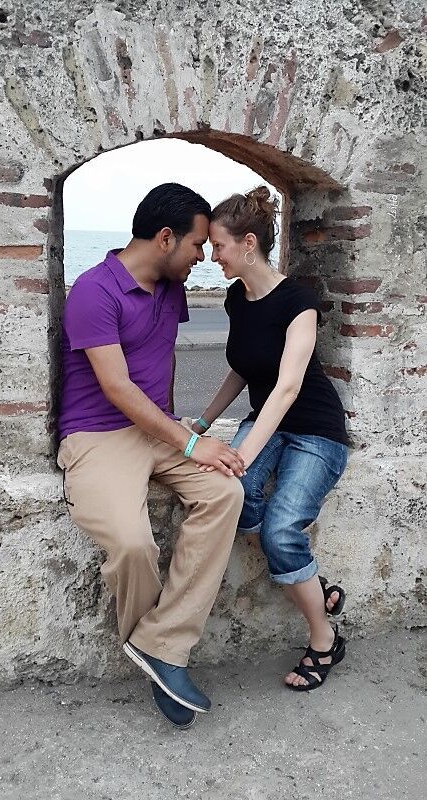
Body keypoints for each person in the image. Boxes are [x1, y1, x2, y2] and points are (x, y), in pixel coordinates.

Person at [57, 183, 245, 728]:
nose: (201, 258)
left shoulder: (172, 287)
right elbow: (117, 387)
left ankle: (163, 643)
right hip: (97, 435)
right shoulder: (94, 290)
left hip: (158, 429)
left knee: (223, 491)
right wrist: (190, 441)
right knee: (133, 541)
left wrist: (181, 429)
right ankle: (158, 660)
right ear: (165, 239)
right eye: (195, 246)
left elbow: (160, 362)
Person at [193, 186, 349, 692]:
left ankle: (324, 640)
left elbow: (285, 388)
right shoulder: (237, 298)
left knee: (282, 530)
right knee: (231, 498)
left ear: (248, 243)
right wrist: (203, 421)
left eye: (218, 245)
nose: (212, 255)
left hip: (315, 432)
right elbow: (241, 370)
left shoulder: (300, 302)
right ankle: (313, 584)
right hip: (266, 424)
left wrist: (242, 453)